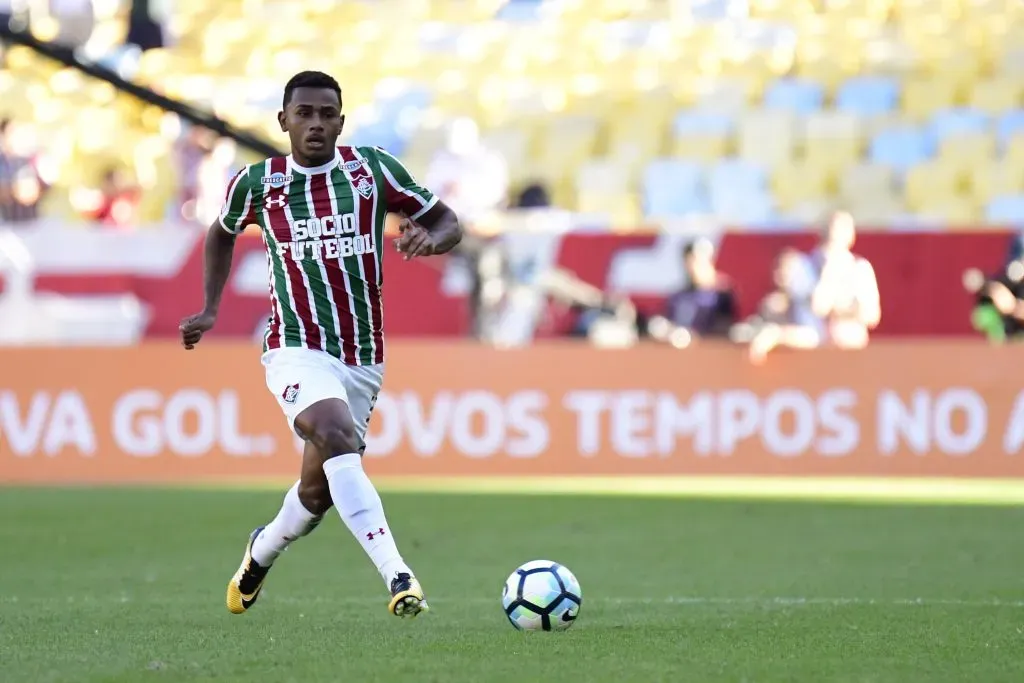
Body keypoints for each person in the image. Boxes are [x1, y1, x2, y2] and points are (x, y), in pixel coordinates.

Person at [178, 71, 462, 620]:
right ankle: (398, 574)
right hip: (295, 347)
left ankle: (261, 551)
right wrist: (211, 307)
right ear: (283, 120)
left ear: (341, 122)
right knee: (334, 434)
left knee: (316, 495)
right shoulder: (257, 183)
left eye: (326, 114)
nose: (315, 124)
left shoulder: (373, 171)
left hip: (363, 357)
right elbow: (221, 232)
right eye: (304, 113)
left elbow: (448, 221)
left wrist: (433, 239)